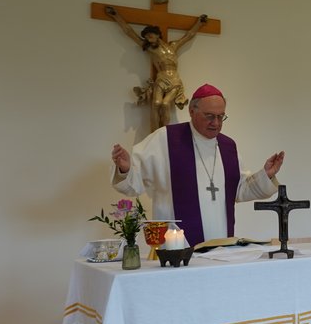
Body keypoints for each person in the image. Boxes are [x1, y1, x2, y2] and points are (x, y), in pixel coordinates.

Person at [110, 83, 285, 246]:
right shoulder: (165, 140)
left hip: (222, 247)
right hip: (177, 247)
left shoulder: (228, 146)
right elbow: (135, 183)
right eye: (209, 116)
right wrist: (125, 169)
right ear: (192, 111)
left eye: (221, 117)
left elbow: (238, 190)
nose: (216, 123)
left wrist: (266, 175)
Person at [105, 6, 208, 131]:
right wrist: (116, 16)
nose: (148, 39)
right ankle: (154, 132)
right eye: (146, 37)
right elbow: (129, 32)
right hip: (161, 78)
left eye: (150, 35)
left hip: (174, 80)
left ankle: (164, 133)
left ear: (157, 34)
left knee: (165, 104)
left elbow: (189, 35)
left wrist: (199, 23)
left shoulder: (173, 46)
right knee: (156, 104)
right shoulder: (150, 49)